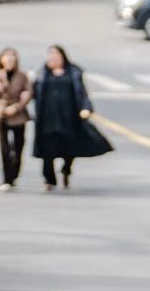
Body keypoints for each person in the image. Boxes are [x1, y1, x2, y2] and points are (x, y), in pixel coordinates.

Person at [32, 45, 112, 191]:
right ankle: (49, 180)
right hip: (48, 119)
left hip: (68, 118)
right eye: (51, 55)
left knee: (69, 149)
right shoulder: (43, 73)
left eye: (56, 55)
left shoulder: (73, 72)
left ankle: (66, 169)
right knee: (47, 151)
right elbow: (33, 91)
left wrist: (86, 108)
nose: (53, 58)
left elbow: (82, 93)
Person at [0, 47, 32, 191]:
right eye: (6, 59)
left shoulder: (22, 76)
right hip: (2, 114)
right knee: (4, 147)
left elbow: (27, 93)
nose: (9, 61)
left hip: (18, 114)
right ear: (1, 60)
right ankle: (6, 178)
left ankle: (15, 172)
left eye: (12, 59)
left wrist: (17, 107)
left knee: (18, 146)